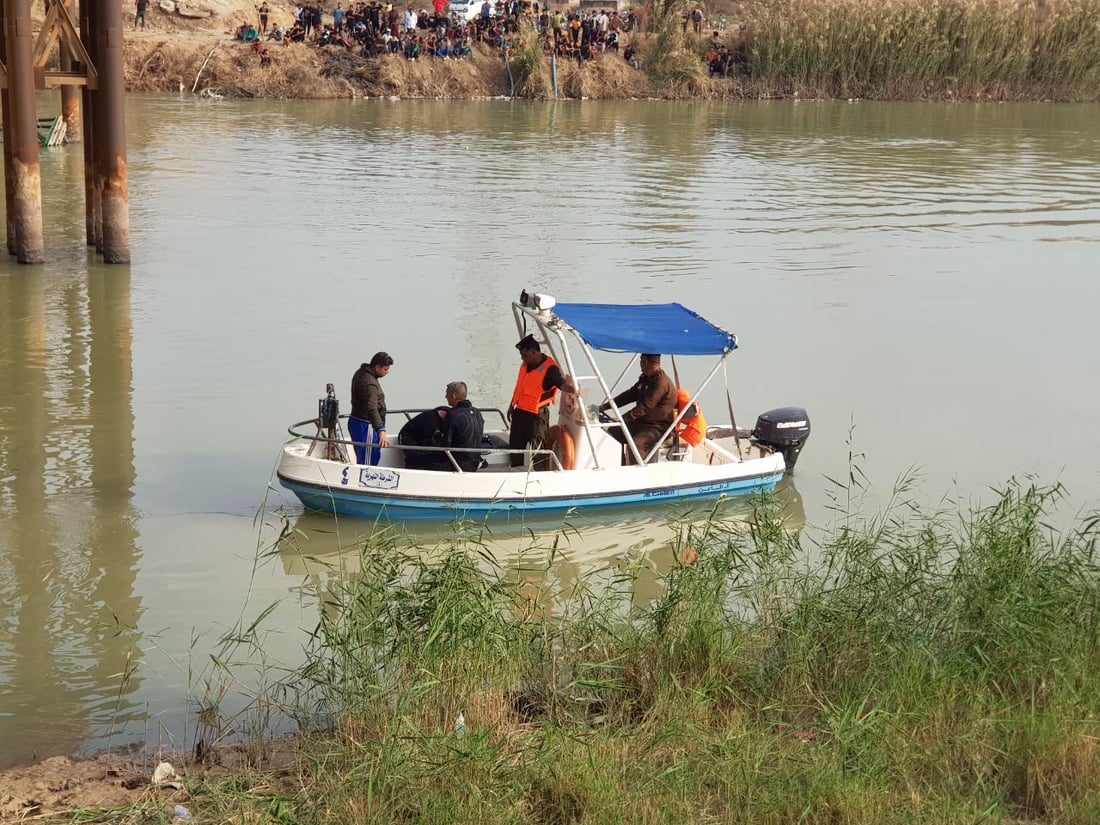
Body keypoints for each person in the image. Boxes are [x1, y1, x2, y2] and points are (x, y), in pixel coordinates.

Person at [508, 334, 572, 468]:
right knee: (515, 449)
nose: (522, 358)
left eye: (524, 355)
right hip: (520, 413)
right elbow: (519, 387)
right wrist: (511, 406)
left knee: (537, 453)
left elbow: (561, 385)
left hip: (537, 417)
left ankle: (539, 477)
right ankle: (514, 473)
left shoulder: (550, 370)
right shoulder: (526, 365)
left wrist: (574, 390)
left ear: (534, 352)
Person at [598, 354, 676, 464]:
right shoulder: (645, 378)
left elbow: (645, 407)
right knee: (611, 432)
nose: (640, 365)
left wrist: (622, 419)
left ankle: (640, 474)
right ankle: (621, 464)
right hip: (641, 422)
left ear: (645, 362)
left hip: (657, 426)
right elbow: (629, 395)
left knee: (635, 445)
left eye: (640, 362)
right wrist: (604, 407)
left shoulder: (661, 383)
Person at [349, 351, 393, 465]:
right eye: (385, 369)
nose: (388, 372)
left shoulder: (360, 373)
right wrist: (381, 430)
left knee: (366, 457)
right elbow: (371, 408)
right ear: (377, 367)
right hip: (366, 425)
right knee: (368, 462)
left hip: (356, 421)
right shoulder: (370, 384)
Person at [439, 381, 484, 471]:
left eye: (447, 394)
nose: (445, 397)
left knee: (418, 460)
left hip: (459, 465)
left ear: (453, 396)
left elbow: (445, 444)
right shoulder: (477, 412)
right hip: (475, 462)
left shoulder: (453, 414)